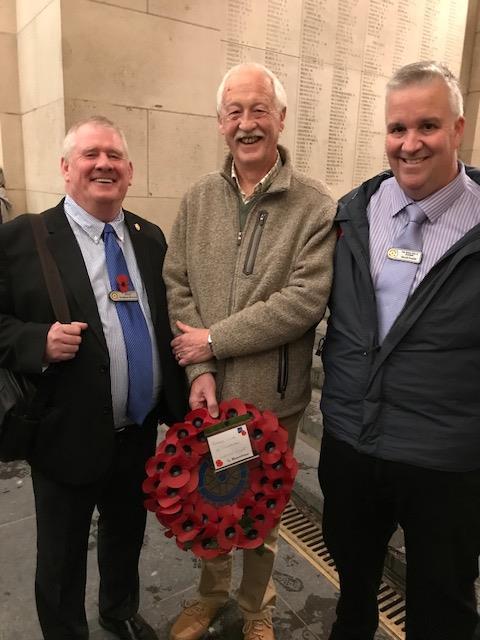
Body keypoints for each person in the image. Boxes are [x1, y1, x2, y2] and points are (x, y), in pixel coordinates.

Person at [163, 63, 336, 640]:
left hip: (273, 400)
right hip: (209, 397)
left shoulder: (313, 205)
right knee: (206, 504)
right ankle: (210, 597)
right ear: (219, 123)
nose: (247, 123)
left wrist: (213, 338)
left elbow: (302, 302)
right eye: (235, 112)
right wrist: (202, 368)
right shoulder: (196, 200)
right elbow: (178, 284)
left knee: (262, 513)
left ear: (281, 119)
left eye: (259, 109)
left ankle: (257, 605)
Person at [0, 116, 186, 640]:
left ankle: (119, 611)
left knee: (126, 533)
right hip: (64, 432)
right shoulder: (20, 239)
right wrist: (36, 342)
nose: (103, 164)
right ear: (66, 168)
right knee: (60, 553)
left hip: (138, 430)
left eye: (114, 156)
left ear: (128, 172)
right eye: (90, 154)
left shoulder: (149, 238)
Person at [318, 61, 480, 640]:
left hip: (446, 457)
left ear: (458, 128)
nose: (410, 145)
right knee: (353, 585)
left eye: (428, 126)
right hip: (351, 442)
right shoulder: (349, 213)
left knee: (443, 604)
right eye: (397, 129)